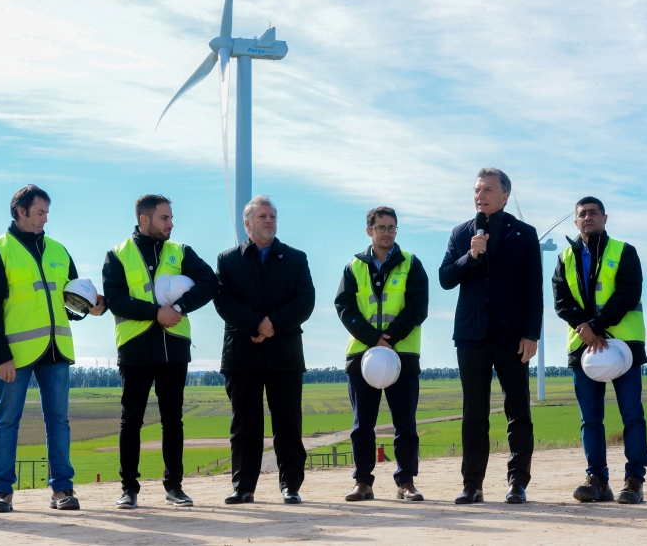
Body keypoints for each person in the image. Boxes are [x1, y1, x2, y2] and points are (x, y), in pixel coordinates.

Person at [0, 185, 106, 513]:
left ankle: (62, 490)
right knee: (7, 420)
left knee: (59, 421)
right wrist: (0, 355)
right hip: (15, 355)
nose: (45, 219)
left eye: (47, 213)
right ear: (20, 211)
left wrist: (91, 307)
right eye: (39, 213)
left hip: (57, 350)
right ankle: (2, 492)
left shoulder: (60, 250)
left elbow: (72, 302)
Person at [102, 194, 218, 509]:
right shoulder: (117, 255)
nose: (171, 224)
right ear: (145, 219)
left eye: (170, 218)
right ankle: (129, 489)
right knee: (131, 420)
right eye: (164, 218)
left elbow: (210, 282)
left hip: (174, 348)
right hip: (135, 347)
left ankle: (175, 488)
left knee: (173, 420)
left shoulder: (181, 251)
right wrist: (156, 313)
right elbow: (115, 299)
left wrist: (179, 306)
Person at [439, 168, 542, 505]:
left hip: (512, 336)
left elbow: (534, 289)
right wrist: (470, 256)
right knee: (474, 413)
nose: (480, 195)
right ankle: (472, 484)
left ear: (504, 195)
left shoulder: (524, 234)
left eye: (487, 189)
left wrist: (531, 334)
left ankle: (517, 482)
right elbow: (445, 278)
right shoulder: (461, 233)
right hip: (471, 335)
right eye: (476, 189)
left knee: (518, 410)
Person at [214, 195, 315, 504]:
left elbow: (305, 300)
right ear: (247, 224)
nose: (269, 220)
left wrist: (272, 324)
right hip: (242, 354)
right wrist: (256, 323)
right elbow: (224, 301)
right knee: (245, 424)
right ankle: (243, 486)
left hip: (284, 353)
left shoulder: (296, 258)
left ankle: (290, 486)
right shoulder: (228, 260)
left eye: (272, 216)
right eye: (262, 216)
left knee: (288, 423)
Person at [552, 197, 647, 504]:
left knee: (632, 415)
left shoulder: (624, 251)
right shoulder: (565, 257)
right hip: (584, 349)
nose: (588, 217)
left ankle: (634, 481)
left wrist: (598, 324)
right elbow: (561, 301)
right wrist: (587, 328)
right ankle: (597, 480)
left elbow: (628, 291)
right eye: (582, 214)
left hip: (623, 346)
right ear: (576, 221)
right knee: (590, 419)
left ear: (605, 218)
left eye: (593, 212)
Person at [334, 206, 429, 502]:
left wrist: (389, 338)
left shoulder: (411, 264)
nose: (387, 233)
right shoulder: (353, 267)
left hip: (403, 355)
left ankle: (406, 482)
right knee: (363, 425)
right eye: (381, 227)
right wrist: (373, 338)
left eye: (392, 228)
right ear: (369, 231)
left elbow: (418, 307)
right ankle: (363, 482)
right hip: (362, 357)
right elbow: (344, 306)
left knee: (405, 424)